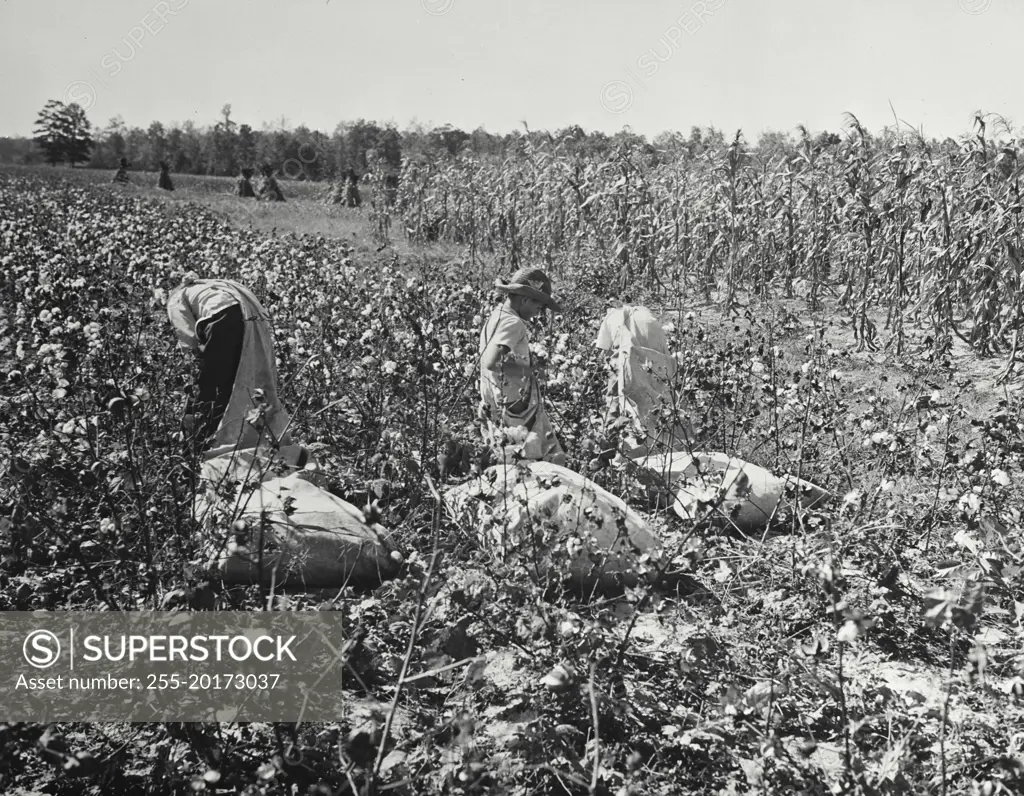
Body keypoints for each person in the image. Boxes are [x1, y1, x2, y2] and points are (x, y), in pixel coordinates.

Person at [166, 276, 293, 455]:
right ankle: (268, 439)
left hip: (224, 317)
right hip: (254, 319)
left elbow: (189, 340)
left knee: (210, 387)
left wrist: (192, 376)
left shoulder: (175, 298)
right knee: (256, 383)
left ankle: (196, 447)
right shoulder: (212, 285)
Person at [478, 267, 566, 465]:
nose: (539, 312)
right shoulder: (513, 323)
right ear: (525, 299)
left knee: (506, 457)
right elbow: (491, 362)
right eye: (539, 305)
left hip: (497, 397)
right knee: (527, 460)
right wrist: (532, 371)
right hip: (512, 406)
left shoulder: (497, 314)